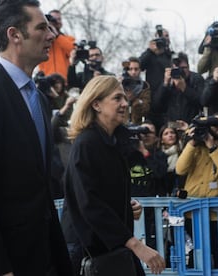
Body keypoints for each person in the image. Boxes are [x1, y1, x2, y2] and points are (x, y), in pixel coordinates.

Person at [0, 1, 72, 275]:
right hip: (6, 264)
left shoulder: (40, 100)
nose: (51, 36)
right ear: (14, 35)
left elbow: (42, 189)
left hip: (42, 258)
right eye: (42, 28)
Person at [62, 75, 166, 275]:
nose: (125, 104)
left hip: (112, 249)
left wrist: (125, 207)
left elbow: (102, 194)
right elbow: (89, 203)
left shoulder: (115, 142)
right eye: (117, 98)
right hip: (89, 253)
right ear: (96, 104)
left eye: (125, 99)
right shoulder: (86, 144)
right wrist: (136, 245)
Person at [175, 114, 218, 268]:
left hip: (216, 215)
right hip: (192, 211)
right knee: (194, 253)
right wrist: (192, 142)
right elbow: (180, 169)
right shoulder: (196, 147)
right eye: (215, 123)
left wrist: (212, 148)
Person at [153, 52, 204, 127]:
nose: (181, 71)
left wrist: (185, 89)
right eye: (178, 68)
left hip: (192, 124)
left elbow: (202, 101)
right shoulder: (168, 81)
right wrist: (165, 85)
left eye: (184, 68)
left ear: (188, 67)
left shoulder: (196, 79)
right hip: (172, 126)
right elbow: (156, 106)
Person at [37, 9, 75, 81]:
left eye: (59, 19)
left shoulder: (68, 39)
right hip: (47, 81)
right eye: (54, 19)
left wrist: (57, 36)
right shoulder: (42, 39)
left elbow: (73, 51)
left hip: (64, 81)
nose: (56, 22)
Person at [121, 57, 151, 125]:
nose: (133, 72)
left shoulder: (144, 86)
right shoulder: (120, 84)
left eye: (136, 69)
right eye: (130, 69)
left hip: (137, 122)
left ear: (140, 70)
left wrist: (135, 100)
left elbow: (146, 109)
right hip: (121, 123)